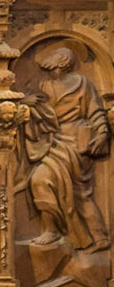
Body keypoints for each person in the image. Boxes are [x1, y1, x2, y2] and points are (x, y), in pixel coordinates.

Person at [24, 43, 110, 253]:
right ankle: (51, 230)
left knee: (79, 193)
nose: (50, 59)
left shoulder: (82, 83)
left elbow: (96, 111)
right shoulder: (43, 85)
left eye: (54, 55)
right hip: (52, 140)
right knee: (40, 180)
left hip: (75, 141)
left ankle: (99, 238)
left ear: (62, 61)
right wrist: (26, 100)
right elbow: (27, 105)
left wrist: (102, 133)